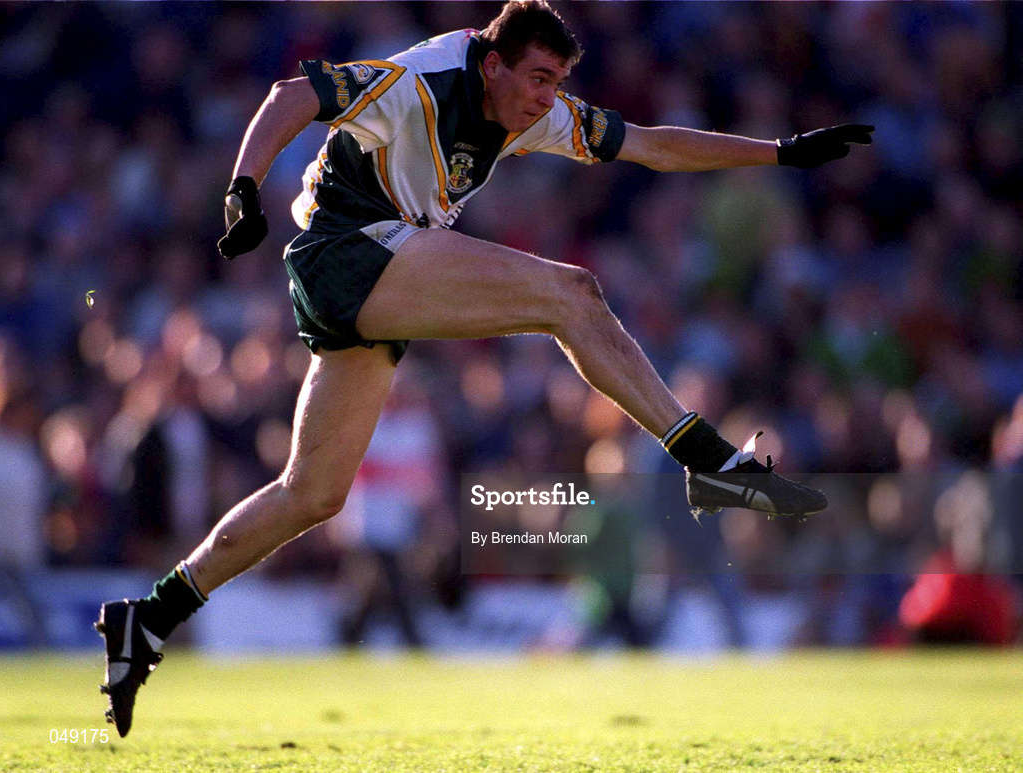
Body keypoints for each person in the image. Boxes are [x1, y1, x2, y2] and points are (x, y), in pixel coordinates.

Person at [96, 0, 872, 736]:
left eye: (558, 83)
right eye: (538, 78)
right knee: (571, 294)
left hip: (374, 270)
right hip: (348, 250)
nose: (549, 98)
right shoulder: (421, 79)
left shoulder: (528, 112)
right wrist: (241, 188)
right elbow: (291, 93)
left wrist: (778, 151)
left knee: (313, 493)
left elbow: (651, 144)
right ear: (493, 64)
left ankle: (149, 615)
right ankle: (707, 459)